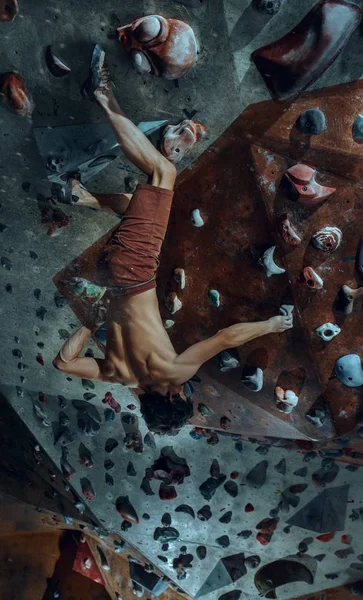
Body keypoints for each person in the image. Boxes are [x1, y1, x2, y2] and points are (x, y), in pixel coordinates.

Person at [53, 45, 293, 434]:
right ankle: (83, 196)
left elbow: (226, 337)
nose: (186, 390)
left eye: (183, 397)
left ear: (170, 397)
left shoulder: (173, 371)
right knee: (135, 204)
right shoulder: (120, 377)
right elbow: (64, 364)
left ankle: (102, 95)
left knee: (164, 173)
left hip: (136, 266)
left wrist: (271, 326)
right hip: (112, 276)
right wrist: (91, 319)